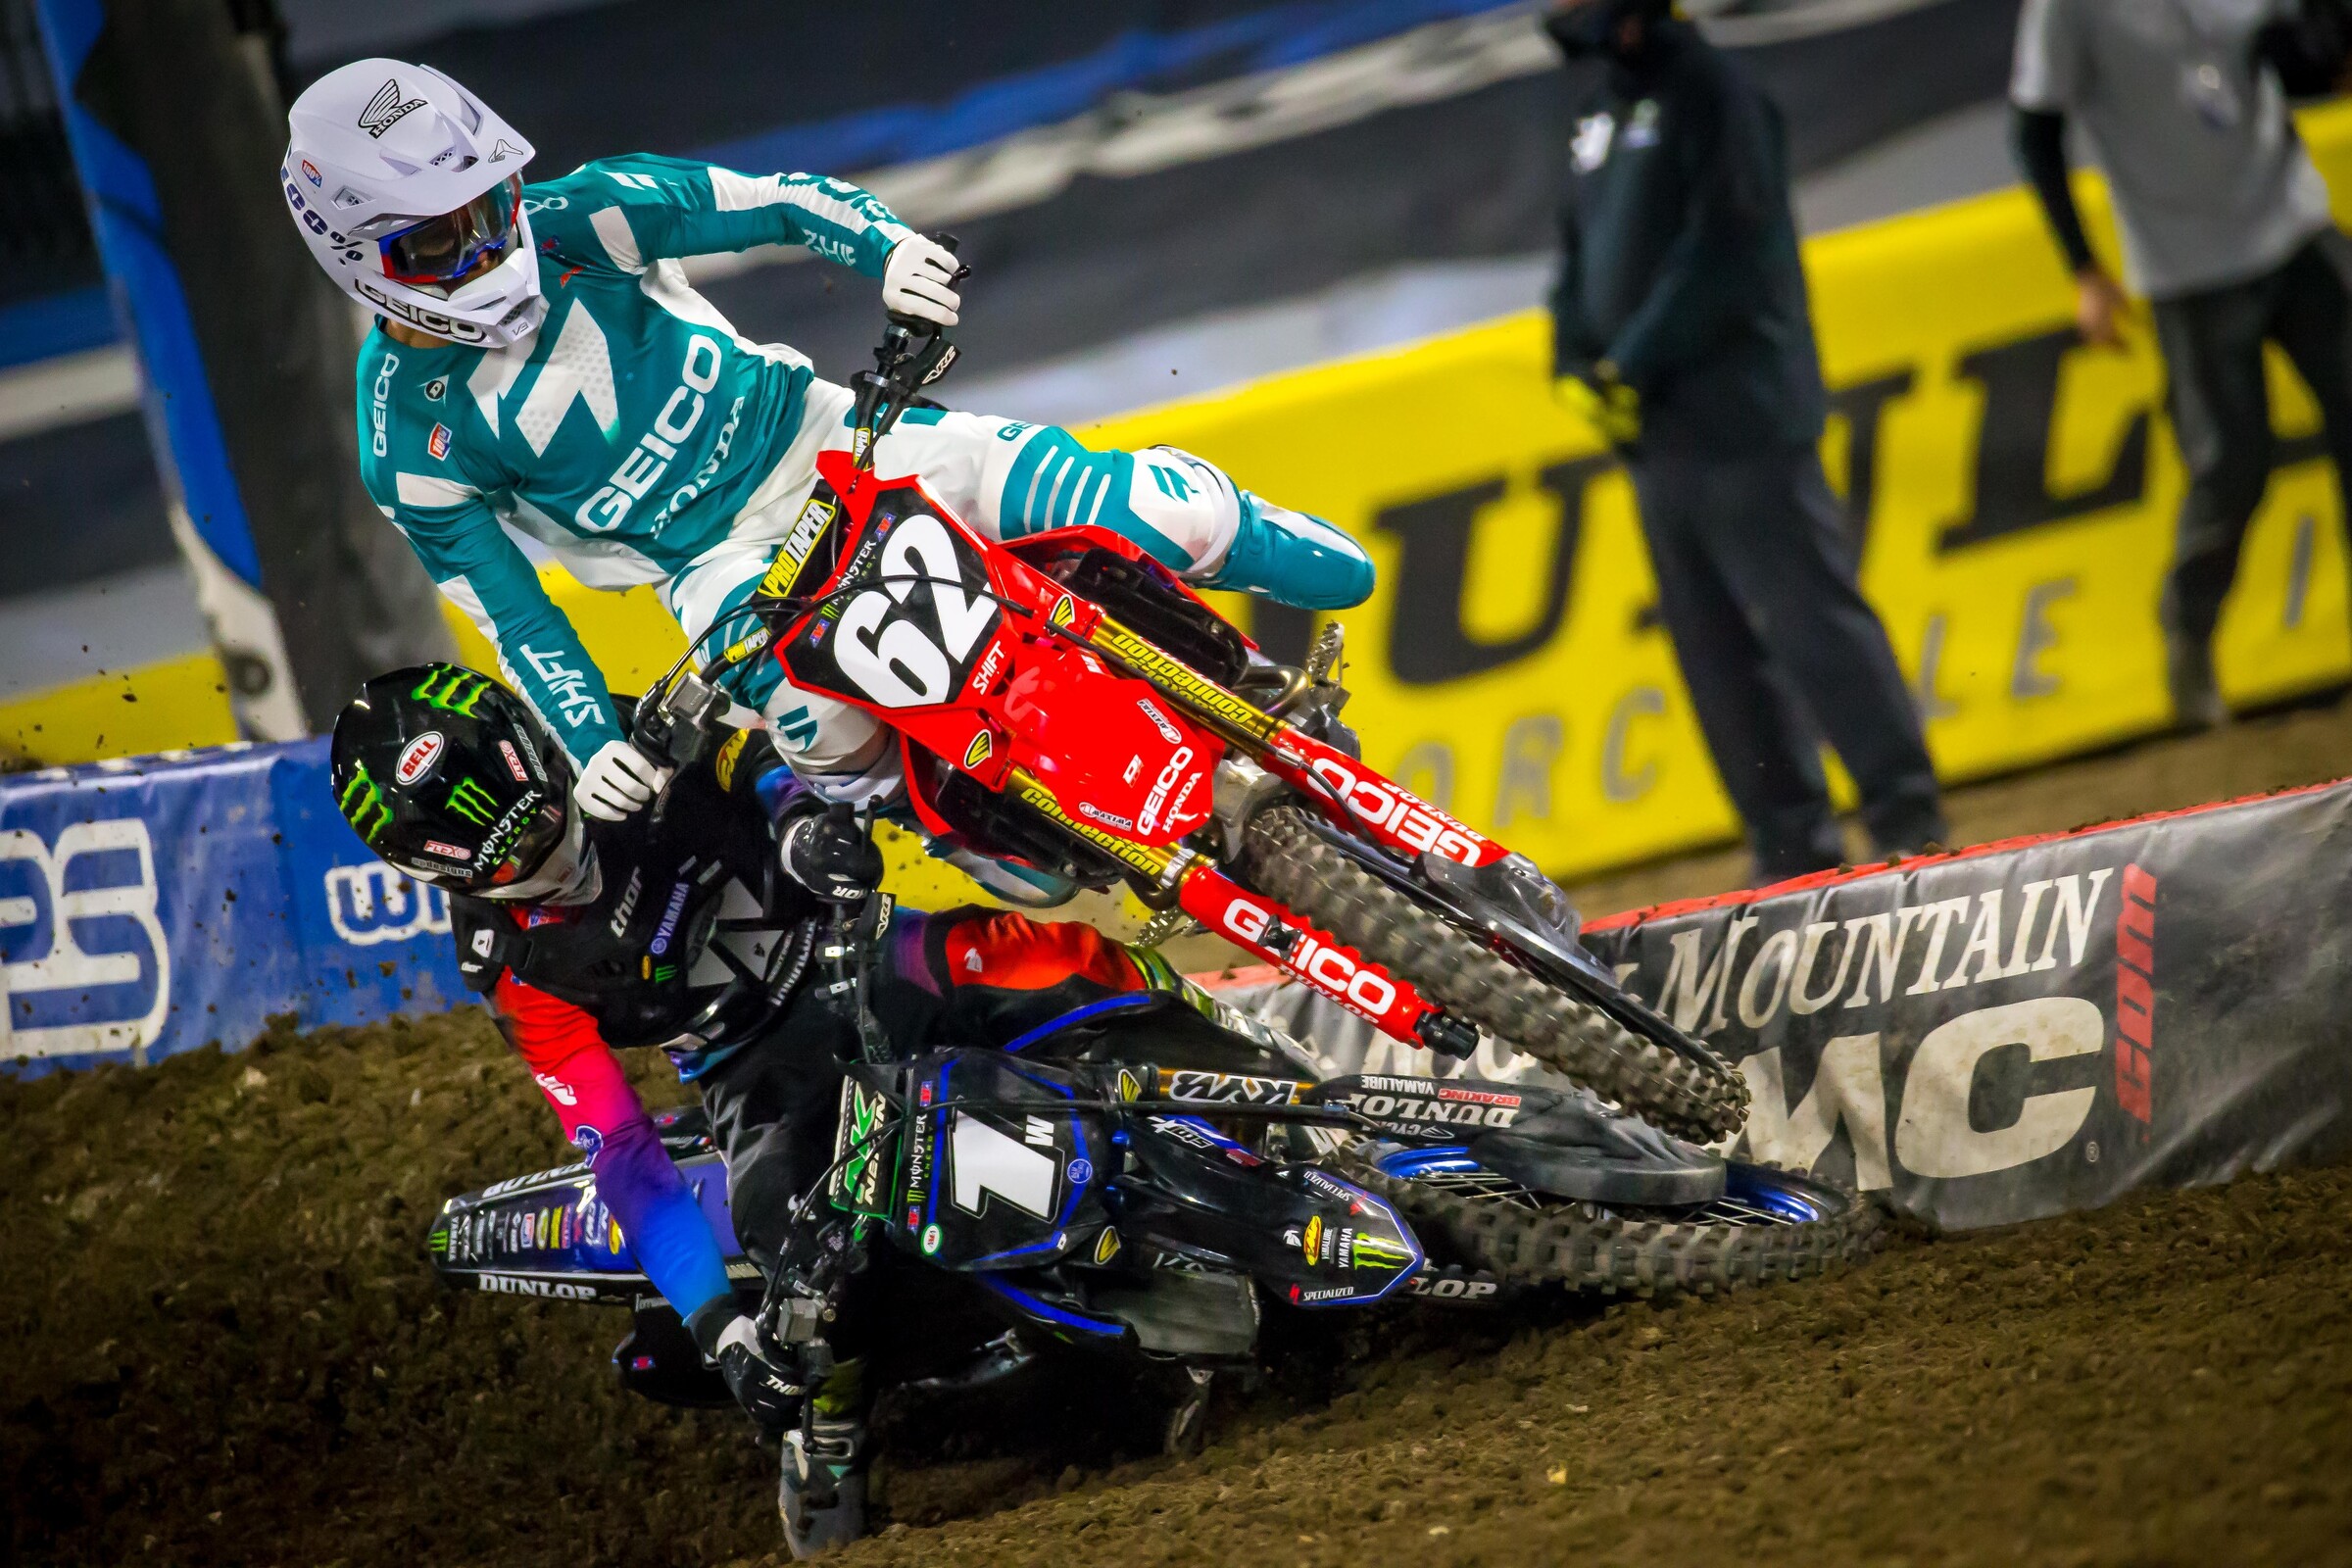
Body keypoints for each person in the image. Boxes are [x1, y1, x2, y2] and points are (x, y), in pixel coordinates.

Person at [284, 59, 1372, 903]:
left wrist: (889, 251)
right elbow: (517, 619)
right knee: (831, 740)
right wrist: (591, 742)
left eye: (493, 207)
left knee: (1159, 513)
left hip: (831, 438)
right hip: (717, 569)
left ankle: (1230, 531)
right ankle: (953, 814)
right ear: (355, 255)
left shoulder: (588, 212)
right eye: (442, 243)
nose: (488, 250)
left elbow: (777, 200)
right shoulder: (403, 445)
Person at [328, 662, 1205, 1556]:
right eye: (517, 858)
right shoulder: (511, 964)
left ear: (546, 754)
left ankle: (1252, 1059)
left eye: (550, 814)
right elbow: (620, 1147)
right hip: (755, 1071)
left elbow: (759, 761)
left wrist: (798, 828)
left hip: (861, 951)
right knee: (802, 1259)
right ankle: (829, 1433)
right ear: (441, 870)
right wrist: (719, 1327)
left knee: (1069, 964)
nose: (553, 856)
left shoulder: (613, 730)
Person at [1543, 0, 1948, 882]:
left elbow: (1728, 247)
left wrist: (1630, 361)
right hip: (1658, 437)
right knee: (1714, 652)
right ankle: (1789, 844)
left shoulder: (1715, 90)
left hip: (1744, 417)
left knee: (1811, 623)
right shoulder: (1598, 111)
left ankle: (1905, 816)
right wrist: (1572, 358)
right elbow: (1575, 252)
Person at [2011, 0, 2352, 729]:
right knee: (2231, 464)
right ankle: (2189, 630)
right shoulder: (2065, 9)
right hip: (2185, 265)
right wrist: (2084, 270)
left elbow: (2292, 57)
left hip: (2294, 220)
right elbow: (2034, 129)